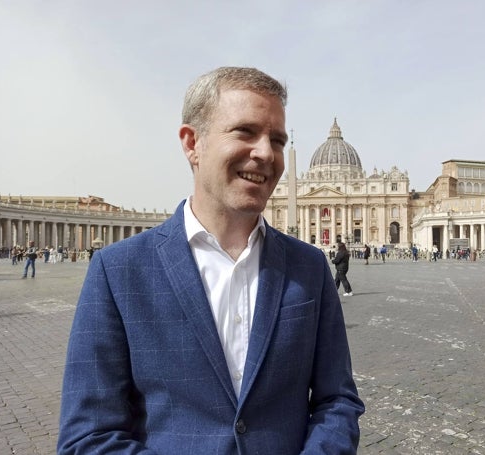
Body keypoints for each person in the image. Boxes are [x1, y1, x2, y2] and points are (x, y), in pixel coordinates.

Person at [58, 66, 364, 454]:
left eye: (278, 140)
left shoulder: (309, 267)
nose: (266, 153)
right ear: (192, 143)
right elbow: (89, 436)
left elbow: (336, 402)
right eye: (245, 132)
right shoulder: (117, 271)